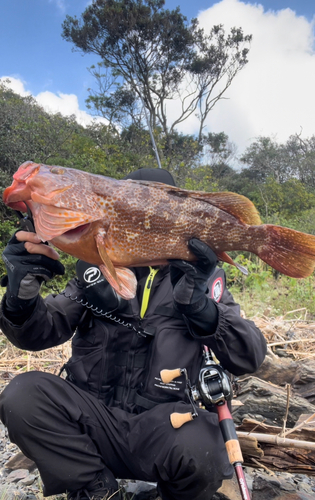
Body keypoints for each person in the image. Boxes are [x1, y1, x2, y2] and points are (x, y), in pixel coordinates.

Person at [0, 167, 267, 500]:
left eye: (157, 214)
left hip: (163, 430)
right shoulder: (93, 269)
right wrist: (20, 297)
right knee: (23, 395)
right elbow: (38, 334)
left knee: (205, 444)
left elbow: (251, 354)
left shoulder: (198, 281)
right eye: (131, 208)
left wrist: (203, 310)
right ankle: (96, 488)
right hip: (94, 425)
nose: (144, 218)